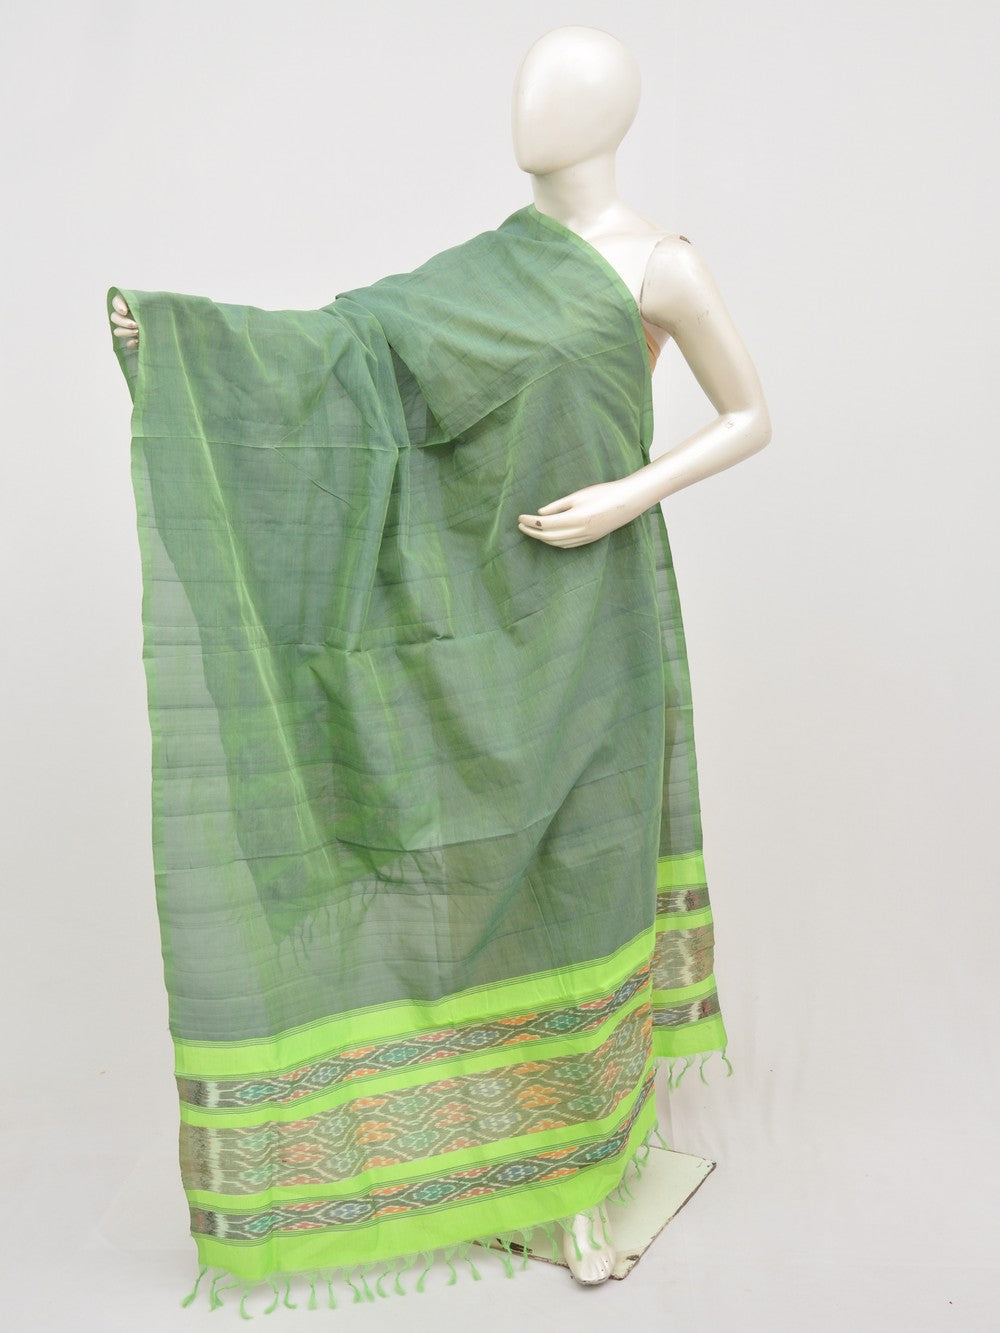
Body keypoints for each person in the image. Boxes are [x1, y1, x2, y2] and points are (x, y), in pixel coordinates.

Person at [109, 23, 769, 1301]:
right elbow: (341, 358)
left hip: (594, 616)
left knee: (585, 873)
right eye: (528, 84)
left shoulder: (663, 265)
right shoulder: (484, 272)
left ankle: (586, 1179)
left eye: (562, 89)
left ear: (614, 113)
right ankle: (513, 1163)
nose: (533, 108)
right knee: (482, 882)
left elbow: (750, 414)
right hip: (477, 612)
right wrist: (181, 345)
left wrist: (630, 491)